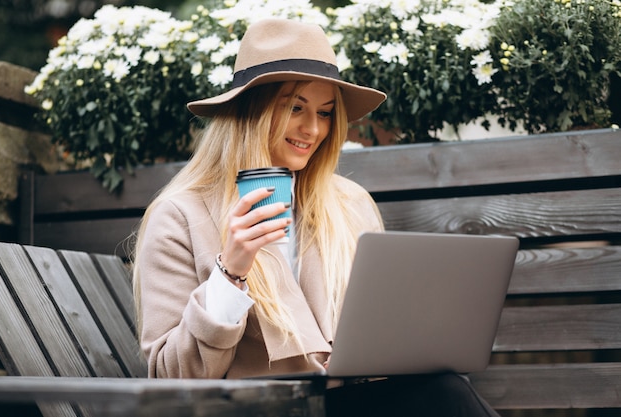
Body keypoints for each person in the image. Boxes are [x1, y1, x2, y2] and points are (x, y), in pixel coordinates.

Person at [132, 17, 501, 417]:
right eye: (295, 107)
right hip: (256, 410)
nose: (313, 129)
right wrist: (230, 273)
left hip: (349, 403)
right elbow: (172, 379)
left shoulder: (349, 204)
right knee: (444, 396)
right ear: (251, 112)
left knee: (443, 388)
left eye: (325, 113)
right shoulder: (180, 215)